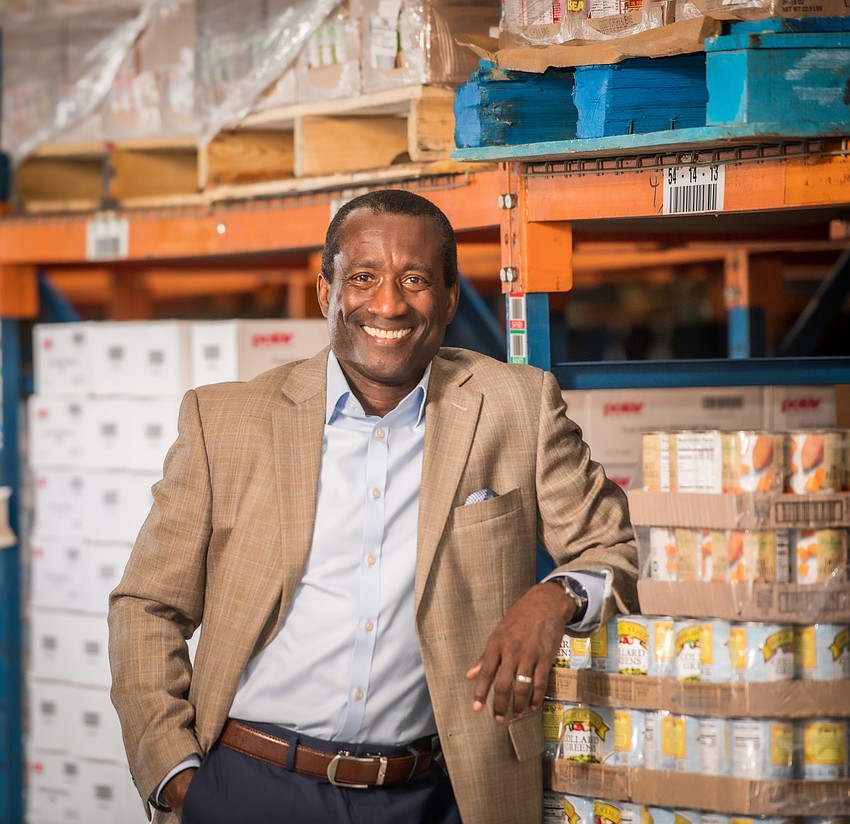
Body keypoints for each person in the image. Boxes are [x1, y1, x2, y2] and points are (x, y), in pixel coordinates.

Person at [108, 189, 638, 824]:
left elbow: (612, 548)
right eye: (363, 278)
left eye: (414, 280)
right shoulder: (225, 421)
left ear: (450, 298)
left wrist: (554, 598)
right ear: (326, 293)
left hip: (433, 793)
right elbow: (147, 605)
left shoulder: (516, 408)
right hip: (251, 785)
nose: (388, 304)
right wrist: (178, 777)